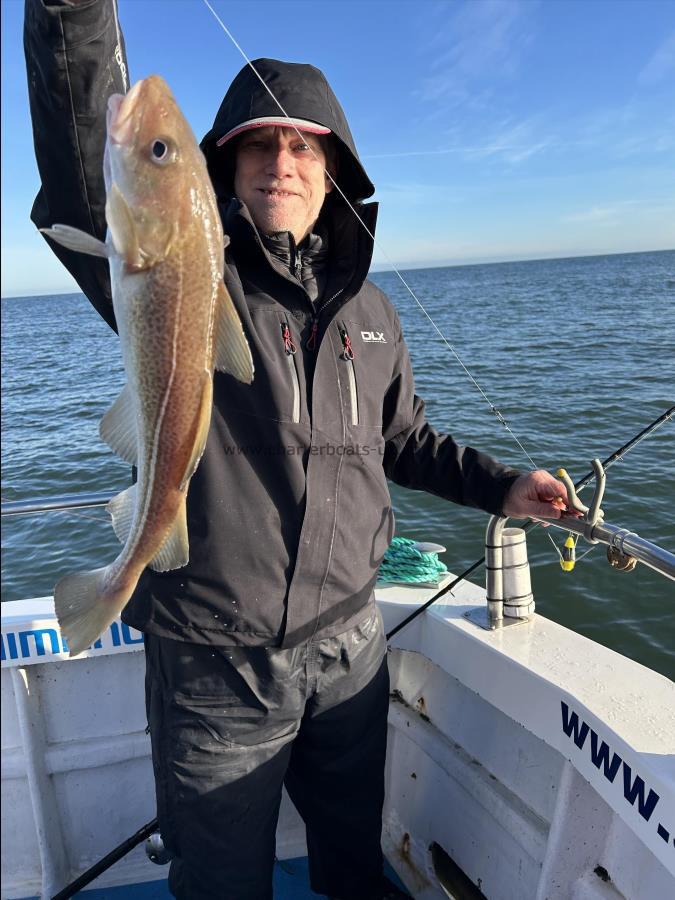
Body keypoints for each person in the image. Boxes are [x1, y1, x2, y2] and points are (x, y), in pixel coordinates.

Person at [24, 1, 573, 897]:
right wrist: (70, 17)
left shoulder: (372, 313)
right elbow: (88, 171)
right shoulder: (175, 261)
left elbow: (403, 439)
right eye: (255, 145)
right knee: (221, 880)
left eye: (303, 146)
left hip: (350, 646)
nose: (280, 162)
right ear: (224, 167)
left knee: (351, 861)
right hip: (213, 660)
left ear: (333, 170)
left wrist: (504, 486)